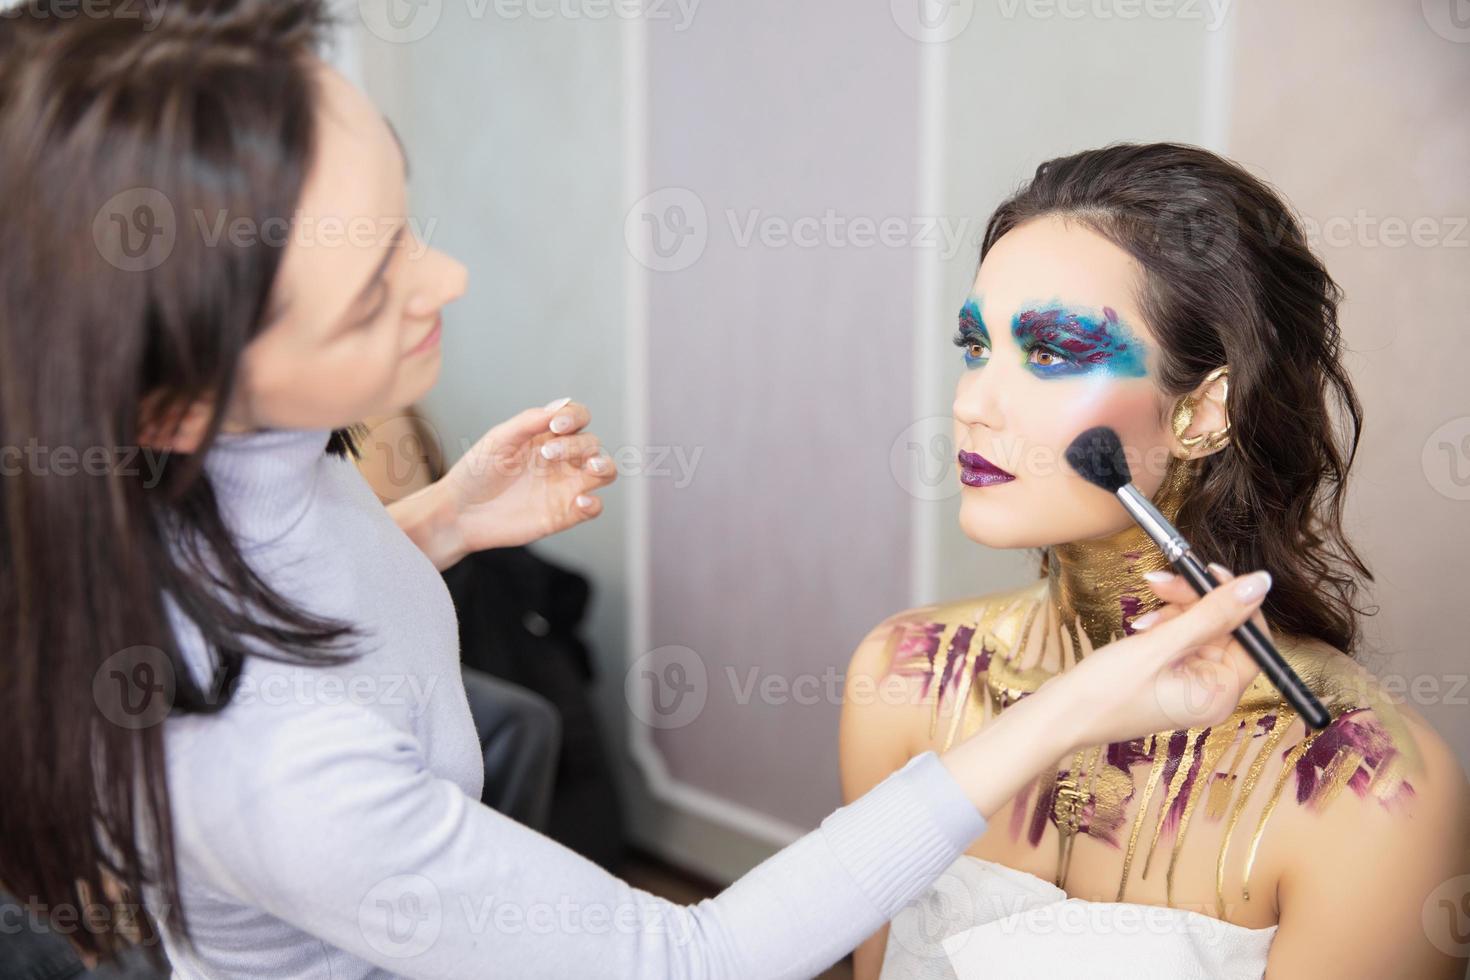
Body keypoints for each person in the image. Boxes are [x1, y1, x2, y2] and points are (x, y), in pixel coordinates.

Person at [0, 5, 1279, 977]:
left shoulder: (218, 463)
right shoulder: (269, 775)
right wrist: (1065, 713)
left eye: (407, 221)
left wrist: (439, 522)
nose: (444, 279)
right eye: (377, 283)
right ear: (172, 396)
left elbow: (279, 597)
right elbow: (690, 959)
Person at [839, 143, 1470, 979]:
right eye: (974, 346)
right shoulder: (910, 676)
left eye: (1053, 353)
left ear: (1203, 412)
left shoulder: (1364, 789)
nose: (968, 403)